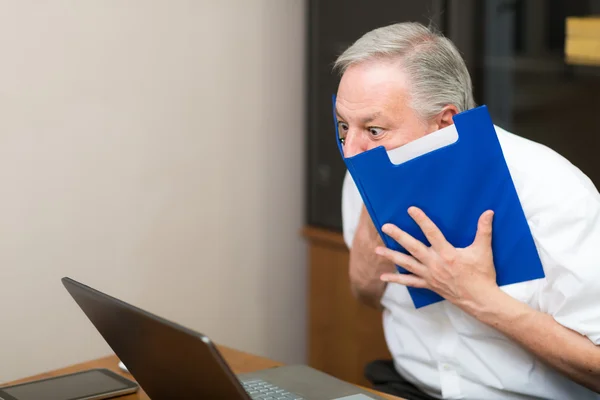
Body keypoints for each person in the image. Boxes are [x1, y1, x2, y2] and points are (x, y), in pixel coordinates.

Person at [335, 22, 600, 399]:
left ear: (445, 122)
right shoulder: (366, 171)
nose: (350, 151)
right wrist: (373, 215)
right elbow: (365, 295)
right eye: (345, 126)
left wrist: (478, 297)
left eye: (374, 130)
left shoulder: (553, 192)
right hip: (410, 387)